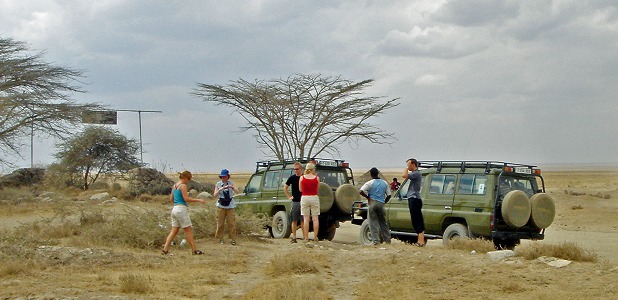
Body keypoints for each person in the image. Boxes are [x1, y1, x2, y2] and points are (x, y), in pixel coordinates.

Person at [162, 171, 207, 255]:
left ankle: (165, 250)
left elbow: (171, 199)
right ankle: (194, 250)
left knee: (174, 231)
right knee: (188, 230)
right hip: (181, 209)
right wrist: (198, 200)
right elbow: (186, 198)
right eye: (189, 179)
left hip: (174, 209)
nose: (188, 181)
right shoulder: (183, 186)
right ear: (185, 178)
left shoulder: (175, 186)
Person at [359, 167, 392, 245]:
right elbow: (389, 195)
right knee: (383, 222)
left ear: (371, 175)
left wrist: (368, 197)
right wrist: (384, 202)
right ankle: (387, 240)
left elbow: (361, 191)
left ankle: (376, 241)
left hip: (373, 203)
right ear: (378, 173)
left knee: (373, 223)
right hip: (381, 204)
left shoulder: (370, 183)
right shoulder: (384, 183)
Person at [213, 169, 240, 245]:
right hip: (221, 205)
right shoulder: (218, 184)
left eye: (225, 176)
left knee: (231, 223)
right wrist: (220, 189)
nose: (224, 178)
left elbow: (237, 192)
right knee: (220, 223)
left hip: (230, 205)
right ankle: (219, 238)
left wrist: (232, 187)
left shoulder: (231, 183)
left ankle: (232, 239)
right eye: (222, 177)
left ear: (228, 176)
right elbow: (214, 195)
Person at [402, 158, 426, 247]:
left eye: (408, 164)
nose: (408, 166)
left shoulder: (416, 173)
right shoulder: (415, 174)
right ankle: (420, 240)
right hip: (413, 198)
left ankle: (421, 241)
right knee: (415, 220)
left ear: (413, 164)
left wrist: (406, 169)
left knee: (417, 219)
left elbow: (404, 175)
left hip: (415, 198)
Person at [299, 162, 320, 241]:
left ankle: (306, 237)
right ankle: (315, 237)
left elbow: (300, 189)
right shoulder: (317, 178)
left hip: (305, 197)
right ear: (313, 169)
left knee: (306, 219)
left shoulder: (302, 178)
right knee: (315, 219)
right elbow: (317, 189)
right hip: (314, 197)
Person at [284, 162, 304, 243]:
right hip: (295, 201)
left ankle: (304, 237)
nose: (296, 170)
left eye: (297, 169)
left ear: (301, 169)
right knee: (294, 220)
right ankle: (294, 237)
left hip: (303, 201)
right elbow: (285, 187)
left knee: (303, 220)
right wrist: (289, 197)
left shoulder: (304, 177)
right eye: (294, 169)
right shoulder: (292, 178)